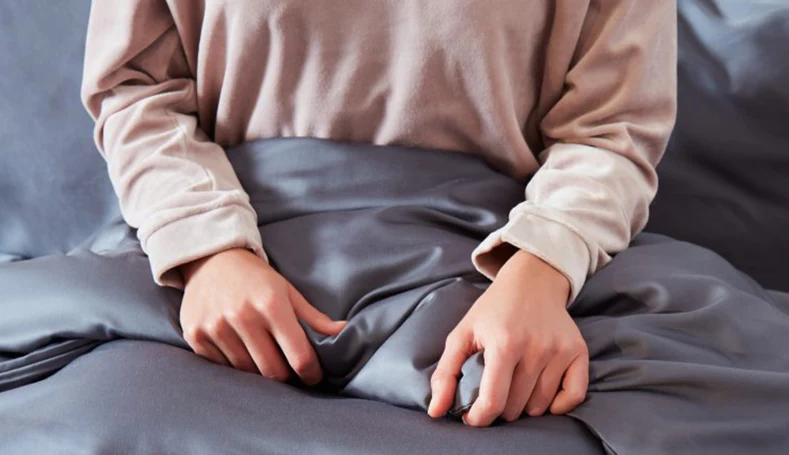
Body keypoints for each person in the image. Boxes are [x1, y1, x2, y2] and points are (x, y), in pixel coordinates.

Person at [81, 0, 677, 427]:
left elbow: (610, 131)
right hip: (217, 268)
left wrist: (542, 271)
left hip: (496, 272)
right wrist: (206, 252)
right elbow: (135, 89)